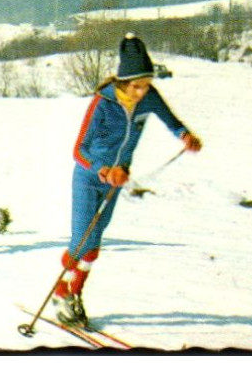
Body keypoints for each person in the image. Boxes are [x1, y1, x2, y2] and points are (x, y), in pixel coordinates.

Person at [52, 33, 203, 330]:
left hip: (116, 180)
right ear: (123, 83)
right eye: (137, 86)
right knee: (81, 240)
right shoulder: (103, 103)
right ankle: (60, 293)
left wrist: (185, 136)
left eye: (146, 85)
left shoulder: (149, 98)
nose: (142, 92)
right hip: (89, 178)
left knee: (94, 244)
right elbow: (78, 150)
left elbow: (172, 121)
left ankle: (75, 292)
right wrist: (105, 170)